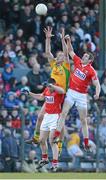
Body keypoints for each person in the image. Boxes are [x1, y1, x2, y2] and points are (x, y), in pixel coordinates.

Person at [26, 27, 70, 155]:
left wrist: (63, 40)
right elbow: (47, 52)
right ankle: (35, 137)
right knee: (40, 116)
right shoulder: (54, 64)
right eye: (59, 55)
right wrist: (47, 39)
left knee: (60, 122)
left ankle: (60, 144)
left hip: (61, 93)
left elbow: (67, 53)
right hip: (51, 91)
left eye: (62, 55)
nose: (61, 56)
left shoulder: (66, 65)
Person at [53, 35, 101, 150]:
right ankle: (56, 135)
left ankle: (86, 142)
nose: (83, 57)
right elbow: (70, 51)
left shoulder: (91, 71)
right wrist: (68, 41)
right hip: (71, 92)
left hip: (81, 95)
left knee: (83, 120)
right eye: (83, 55)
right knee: (63, 113)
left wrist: (97, 94)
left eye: (85, 56)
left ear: (89, 60)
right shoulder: (78, 61)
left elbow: (97, 84)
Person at [23, 78, 65, 172]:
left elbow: (62, 91)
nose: (48, 88)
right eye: (48, 86)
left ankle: (55, 164)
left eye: (50, 86)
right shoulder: (47, 90)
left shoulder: (58, 90)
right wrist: (29, 93)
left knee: (52, 141)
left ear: (53, 84)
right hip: (47, 116)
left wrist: (52, 86)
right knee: (41, 140)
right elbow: (41, 97)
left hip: (55, 117)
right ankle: (45, 159)